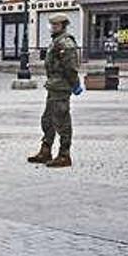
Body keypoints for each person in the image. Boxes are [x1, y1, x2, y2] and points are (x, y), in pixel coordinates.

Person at [28, 13, 82, 168]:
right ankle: (46, 150)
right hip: (53, 86)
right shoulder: (56, 41)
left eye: (55, 25)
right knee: (48, 120)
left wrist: (75, 84)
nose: (52, 28)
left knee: (62, 121)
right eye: (52, 25)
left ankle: (64, 155)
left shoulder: (66, 43)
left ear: (63, 25)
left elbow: (71, 68)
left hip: (61, 87)